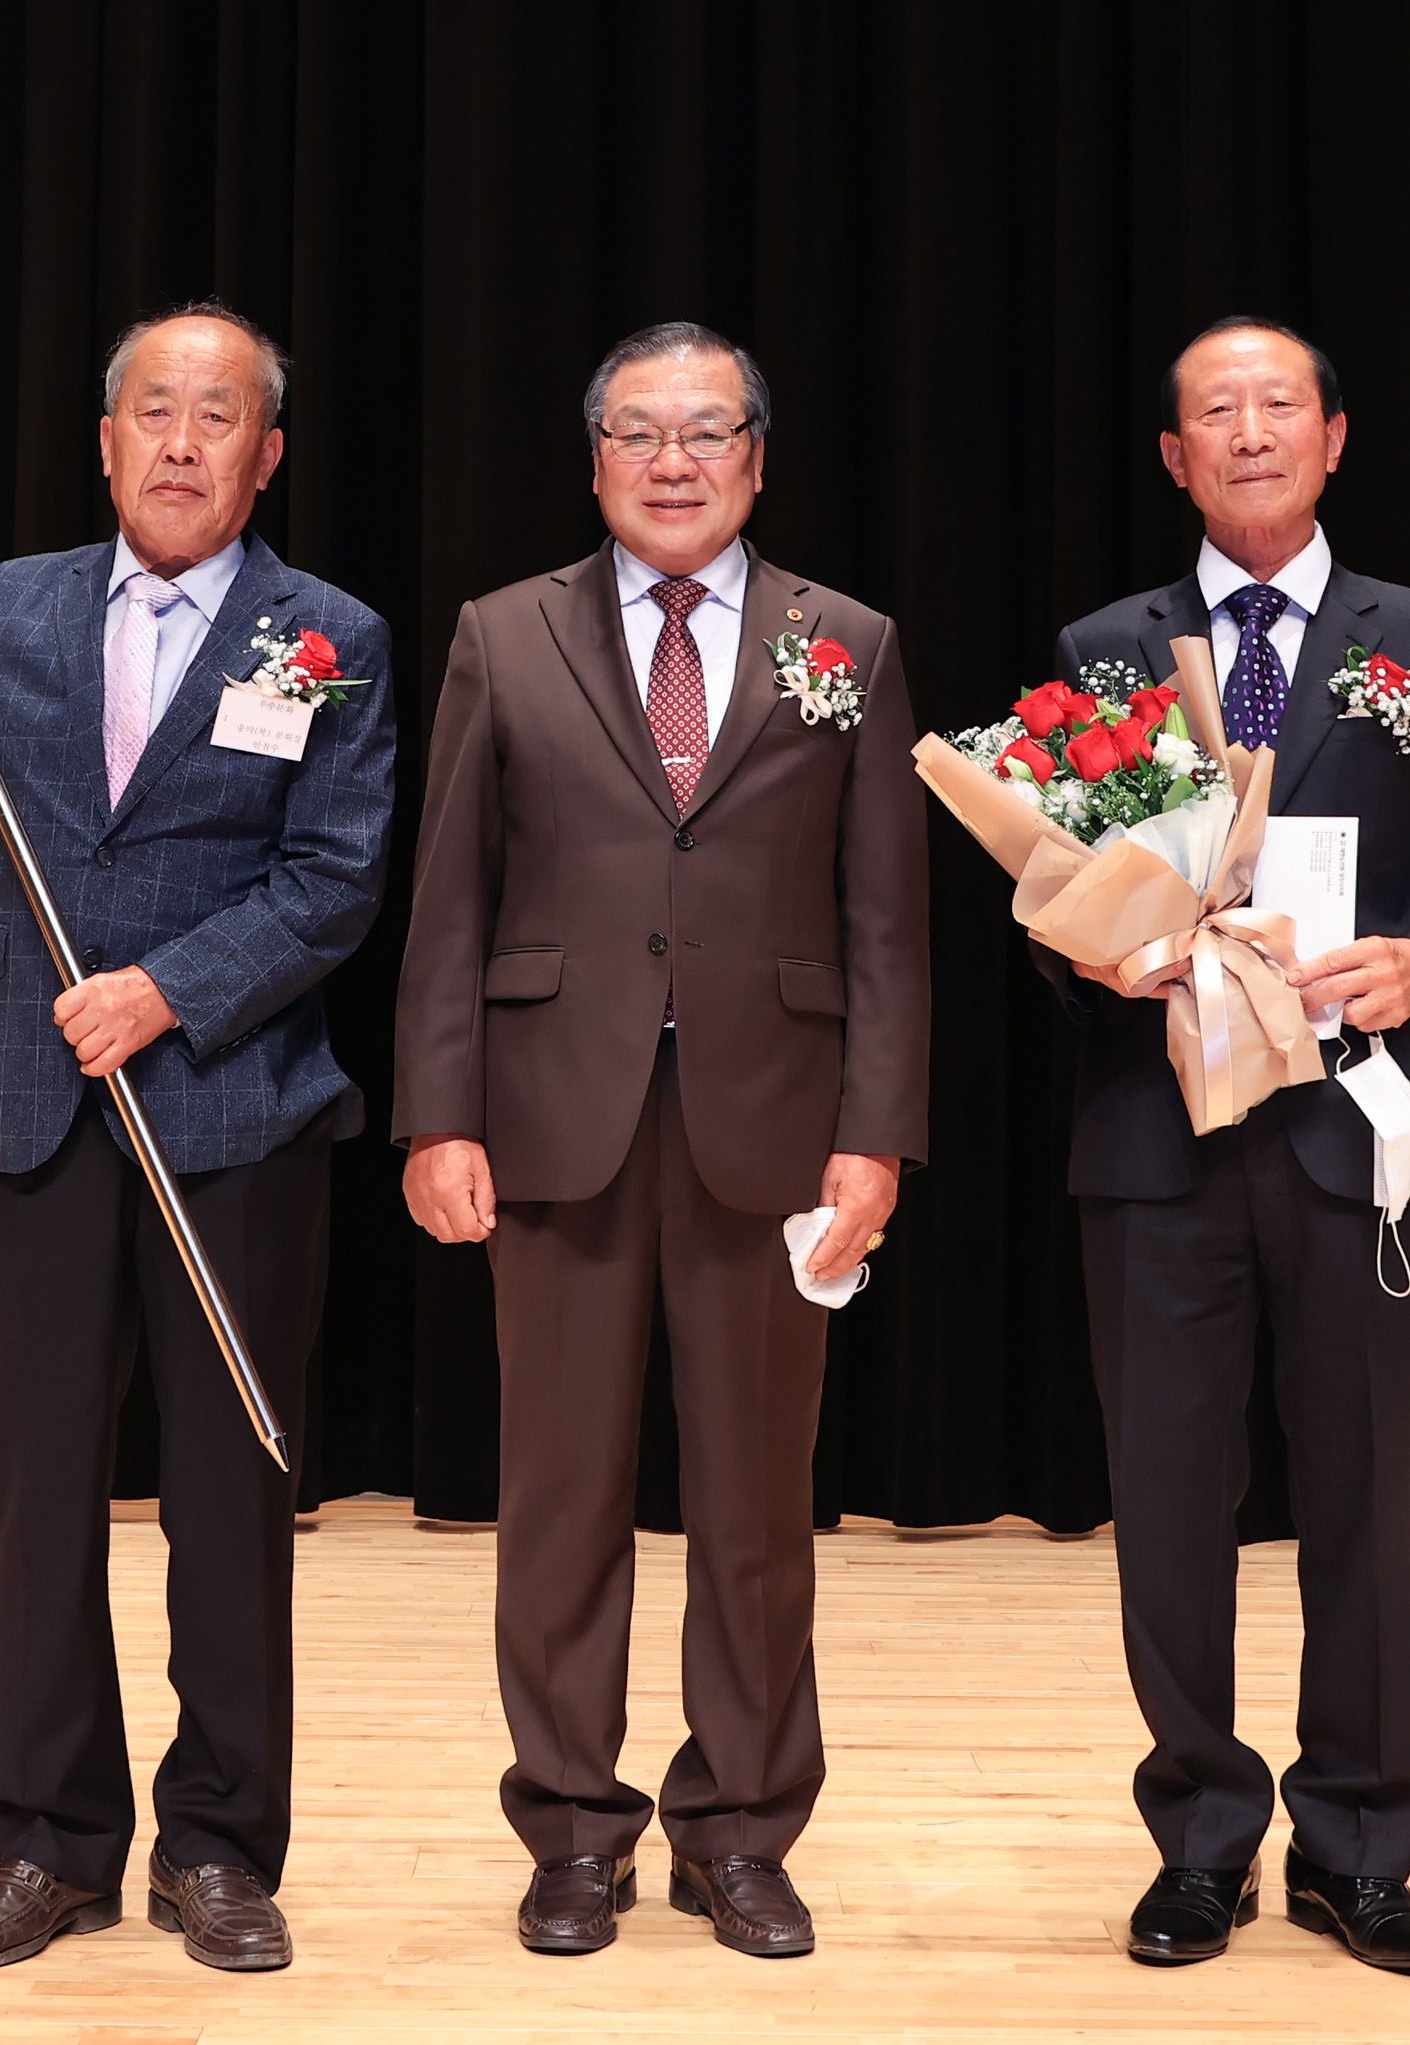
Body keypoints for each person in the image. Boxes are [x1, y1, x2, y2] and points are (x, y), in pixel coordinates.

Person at [0, 303, 394, 1978]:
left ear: (267, 453)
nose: (185, 441)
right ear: (107, 436)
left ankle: (217, 1845)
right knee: (40, 1489)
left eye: (221, 415)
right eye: (156, 410)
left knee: (229, 1495)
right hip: (32, 1102)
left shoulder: (326, 634)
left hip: (235, 1111)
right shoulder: (8, 605)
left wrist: (165, 991)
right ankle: (50, 1843)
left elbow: (336, 877)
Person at [392, 321, 928, 1961]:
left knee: (757, 1506)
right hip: (556, 1120)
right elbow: (452, 896)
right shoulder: (504, 632)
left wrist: (876, 1135)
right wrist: (439, 1109)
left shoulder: (846, 638)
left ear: (758, 458)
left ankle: (740, 1828)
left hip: (773, 1131)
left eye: (707, 431)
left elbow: (887, 919)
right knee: (557, 1497)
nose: (673, 459)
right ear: (596, 458)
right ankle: (570, 1828)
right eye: (639, 432)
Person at [1047, 318, 1410, 1976]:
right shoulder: (1104, 648)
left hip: (1357, 1139)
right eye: (1212, 411)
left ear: (1333, 436)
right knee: (1168, 1503)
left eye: (1277, 405)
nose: (1247, 432)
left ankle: (1358, 1841)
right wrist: (1085, 945)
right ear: (1174, 458)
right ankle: (1199, 1839)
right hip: (1158, 1139)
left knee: (1363, 1498)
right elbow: (1051, 885)